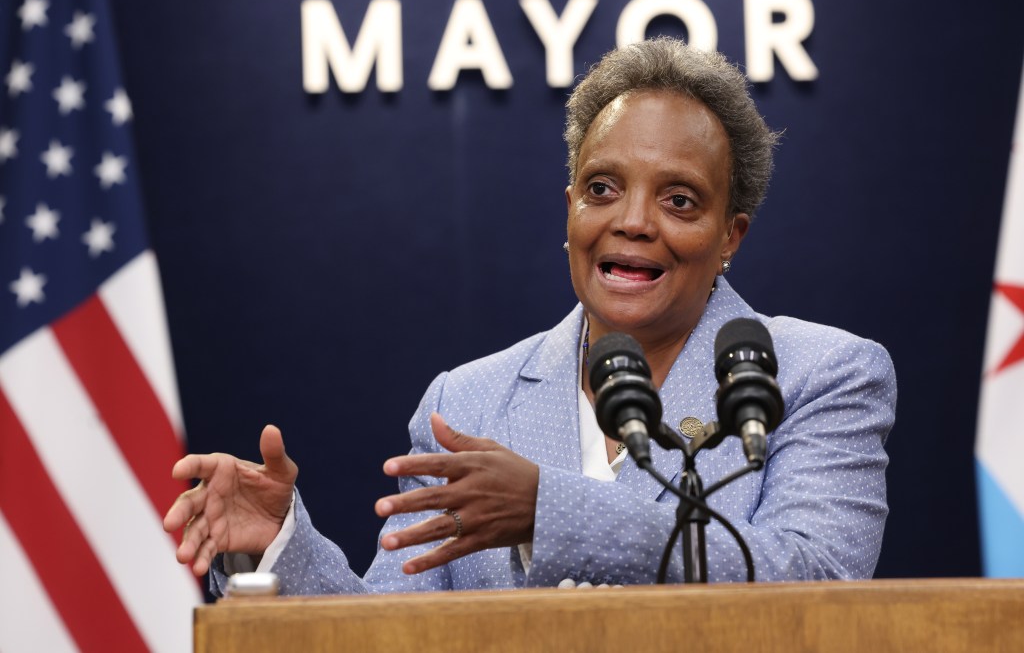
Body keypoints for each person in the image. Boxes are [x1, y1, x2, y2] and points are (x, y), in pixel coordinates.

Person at [164, 37, 896, 594]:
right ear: (571, 208)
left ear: (730, 235)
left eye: (679, 200)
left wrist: (550, 510)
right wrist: (281, 547)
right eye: (602, 188)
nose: (633, 222)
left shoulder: (820, 374)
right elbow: (393, 635)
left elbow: (817, 578)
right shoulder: (467, 402)